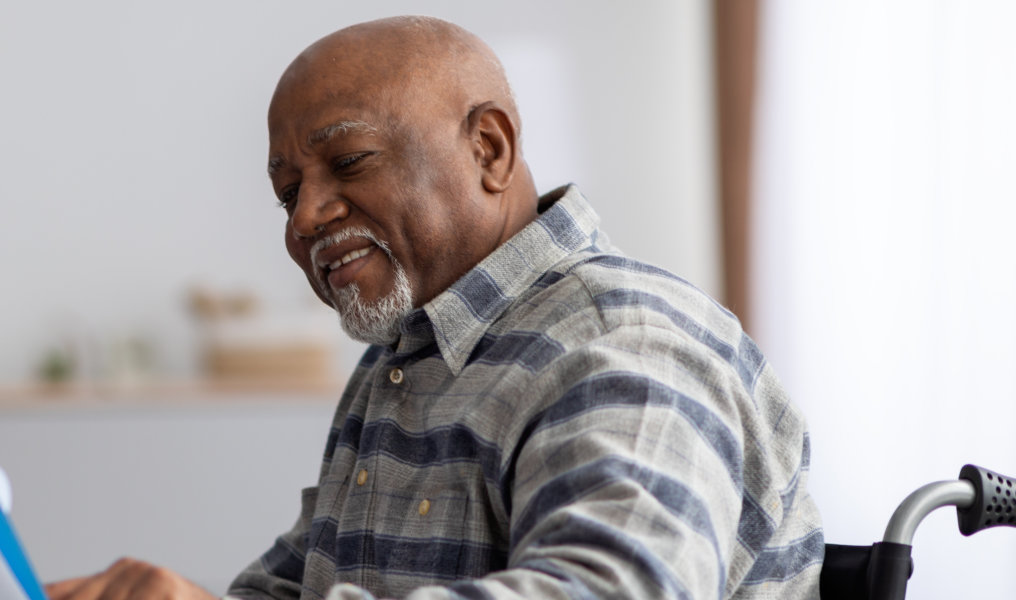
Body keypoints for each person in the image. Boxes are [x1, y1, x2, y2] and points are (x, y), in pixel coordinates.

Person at [47, 16, 821, 600]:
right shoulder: (401, 363)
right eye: (288, 191)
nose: (304, 217)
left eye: (348, 162)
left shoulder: (626, 343)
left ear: (488, 148)